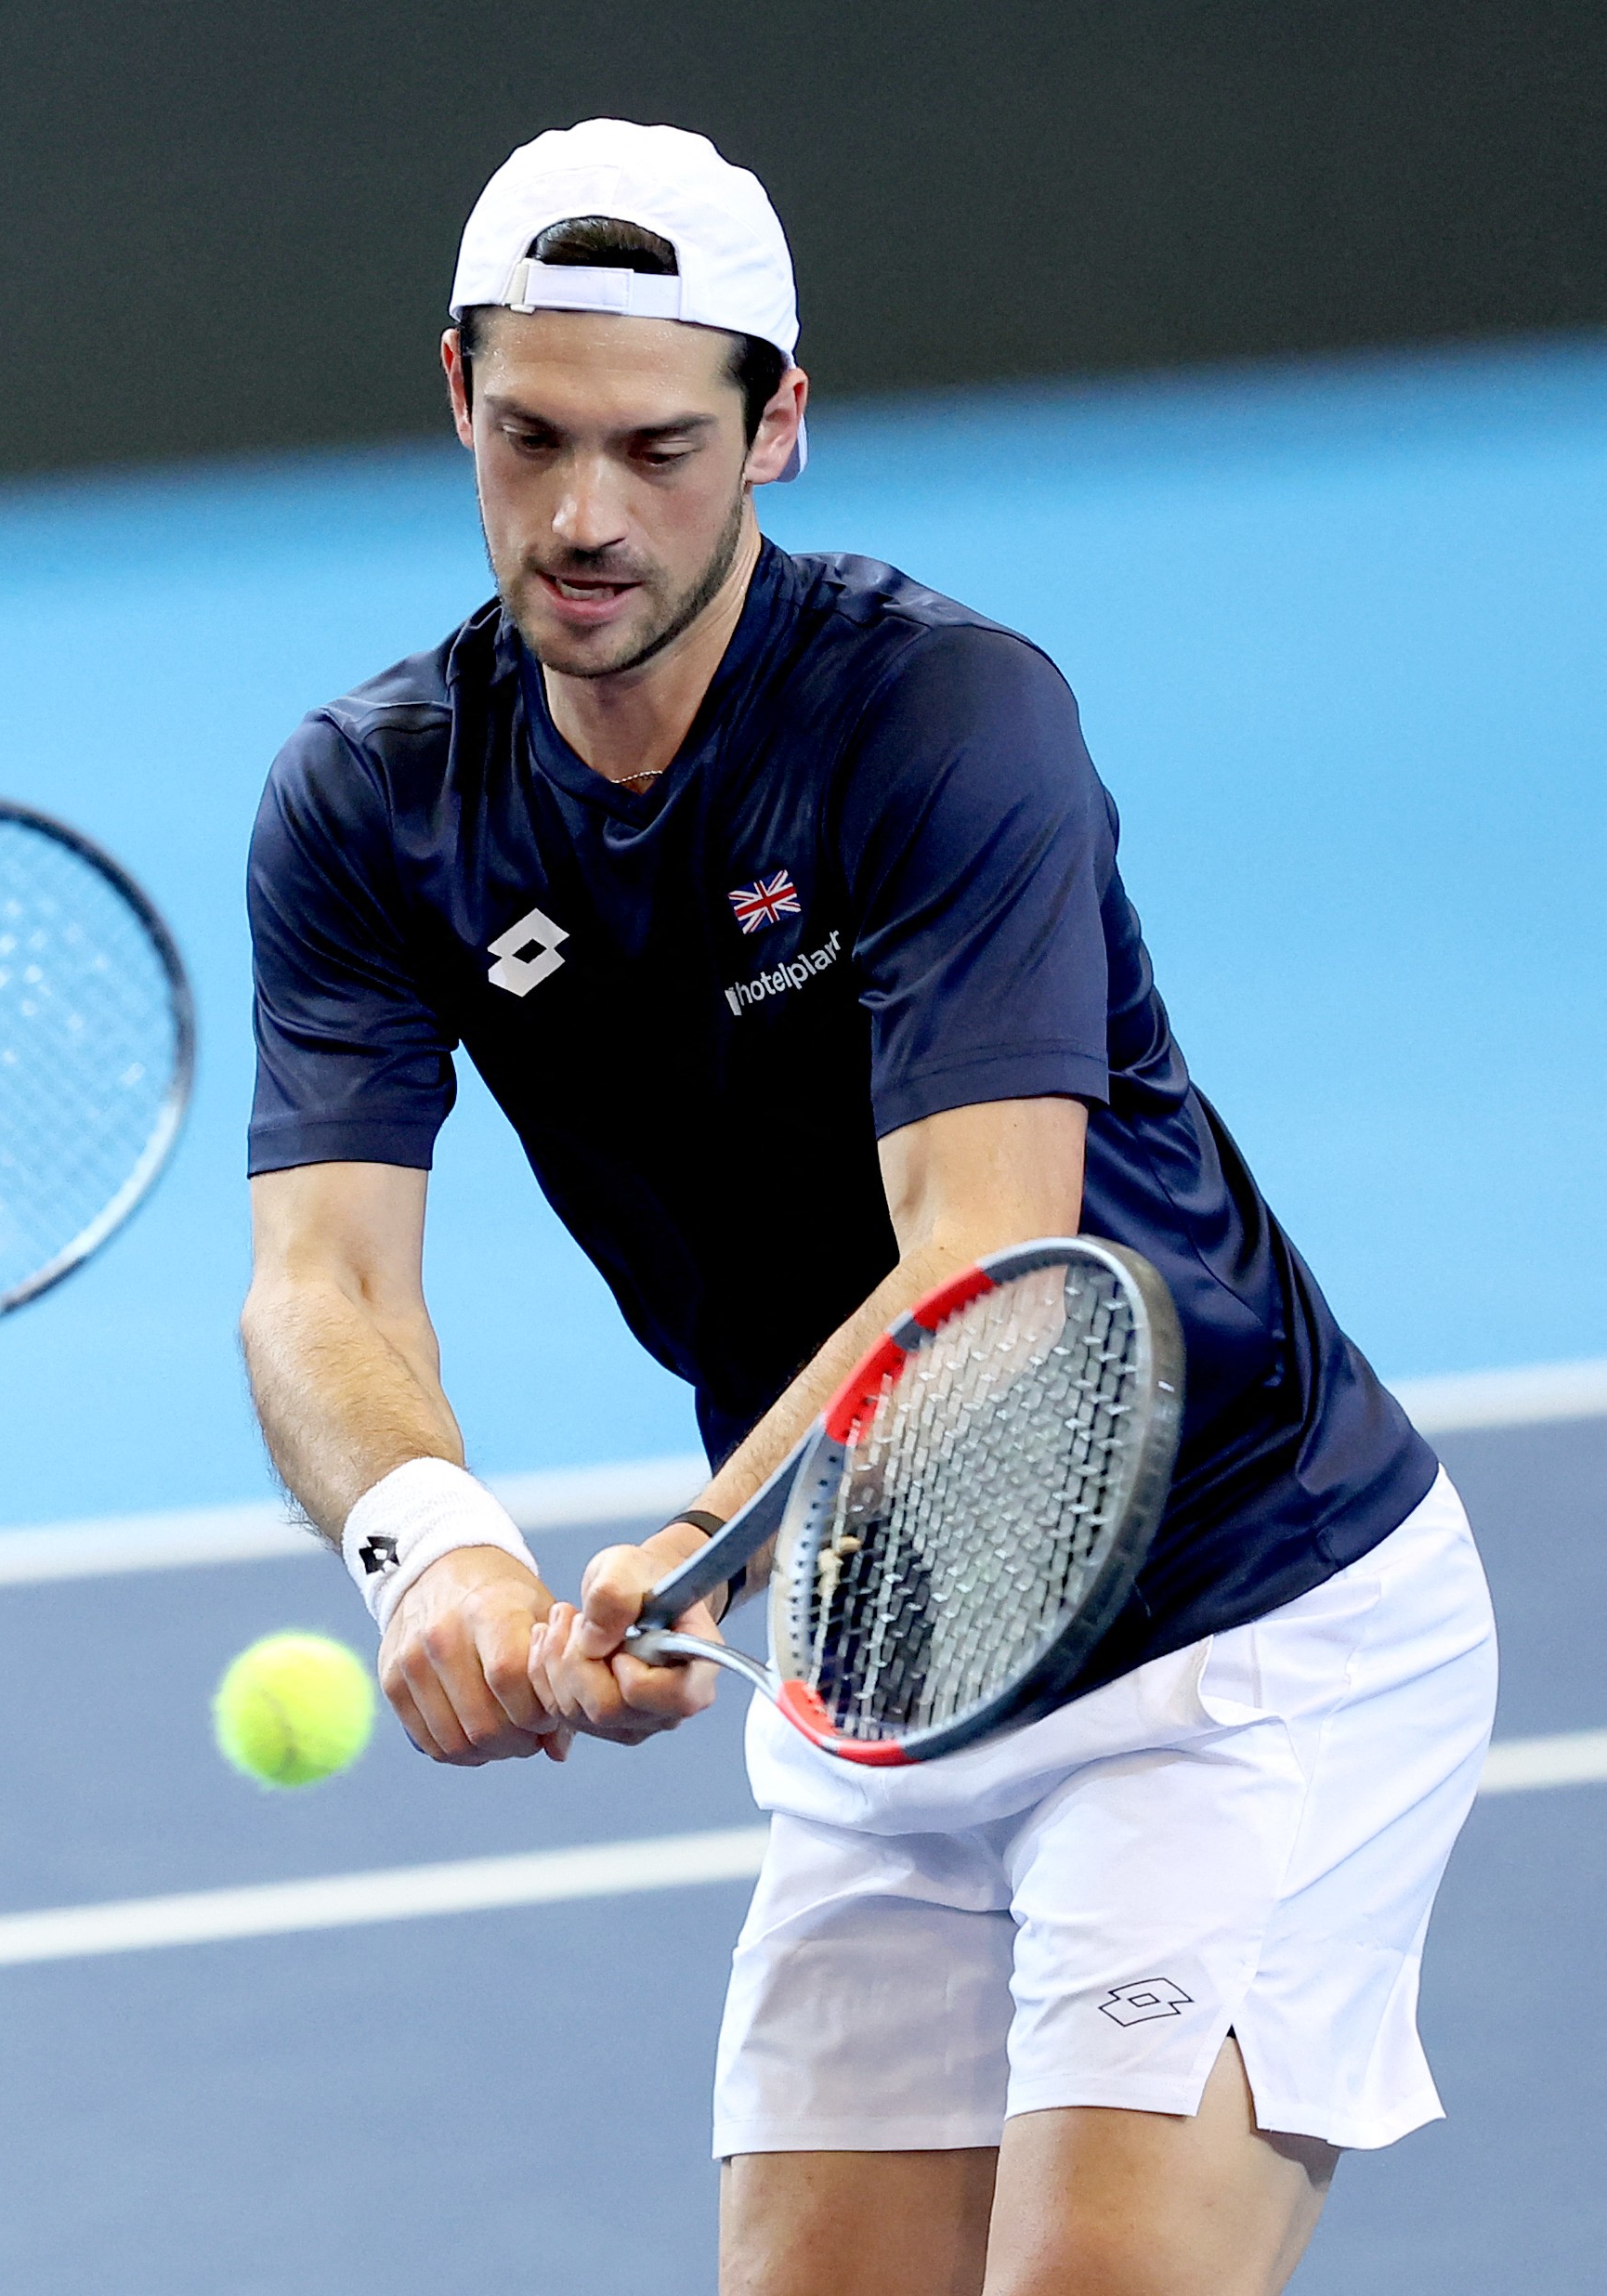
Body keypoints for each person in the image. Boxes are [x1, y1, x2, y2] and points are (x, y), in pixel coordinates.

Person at [239, 121, 1496, 2295]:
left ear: (778, 430)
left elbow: (988, 1271)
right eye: (530, 436)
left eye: (654, 446)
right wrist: (425, 1548)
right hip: (883, 1654)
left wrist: (704, 1547)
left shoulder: (944, 720)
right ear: (457, 392)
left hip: (1235, 1630)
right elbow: (318, 1283)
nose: (584, 516)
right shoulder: (371, 803)